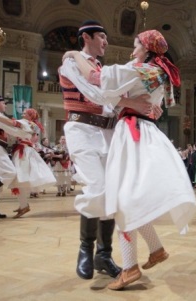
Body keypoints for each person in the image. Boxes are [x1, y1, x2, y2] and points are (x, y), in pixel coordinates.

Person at [63, 29, 196, 290]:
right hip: (135, 130)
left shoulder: (142, 69)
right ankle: (153, 250)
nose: (131, 50)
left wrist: (71, 54)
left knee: (123, 199)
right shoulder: (154, 70)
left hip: (132, 132)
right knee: (127, 197)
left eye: (136, 46)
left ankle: (129, 267)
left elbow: (96, 78)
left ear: (146, 49)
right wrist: (131, 101)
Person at [58, 20, 155, 281]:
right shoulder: (71, 62)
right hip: (82, 131)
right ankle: (85, 249)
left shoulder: (102, 68)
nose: (106, 41)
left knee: (112, 193)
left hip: (109, 133)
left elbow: (111, 101)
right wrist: (130, 100)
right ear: (86, 36)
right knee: (97, 188)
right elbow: (94, 93)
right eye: (101, 36)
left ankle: (104, 254)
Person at [0, 108, 56, 218]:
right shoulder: (30, 124)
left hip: (23, 152)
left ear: (30, 116)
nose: (23, 113)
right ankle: (23, 205)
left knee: (20, 179)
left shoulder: (27, 123)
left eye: (25, 112)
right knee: (19, 179)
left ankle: (24, 205)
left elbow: (10, 124)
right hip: (23, 151)